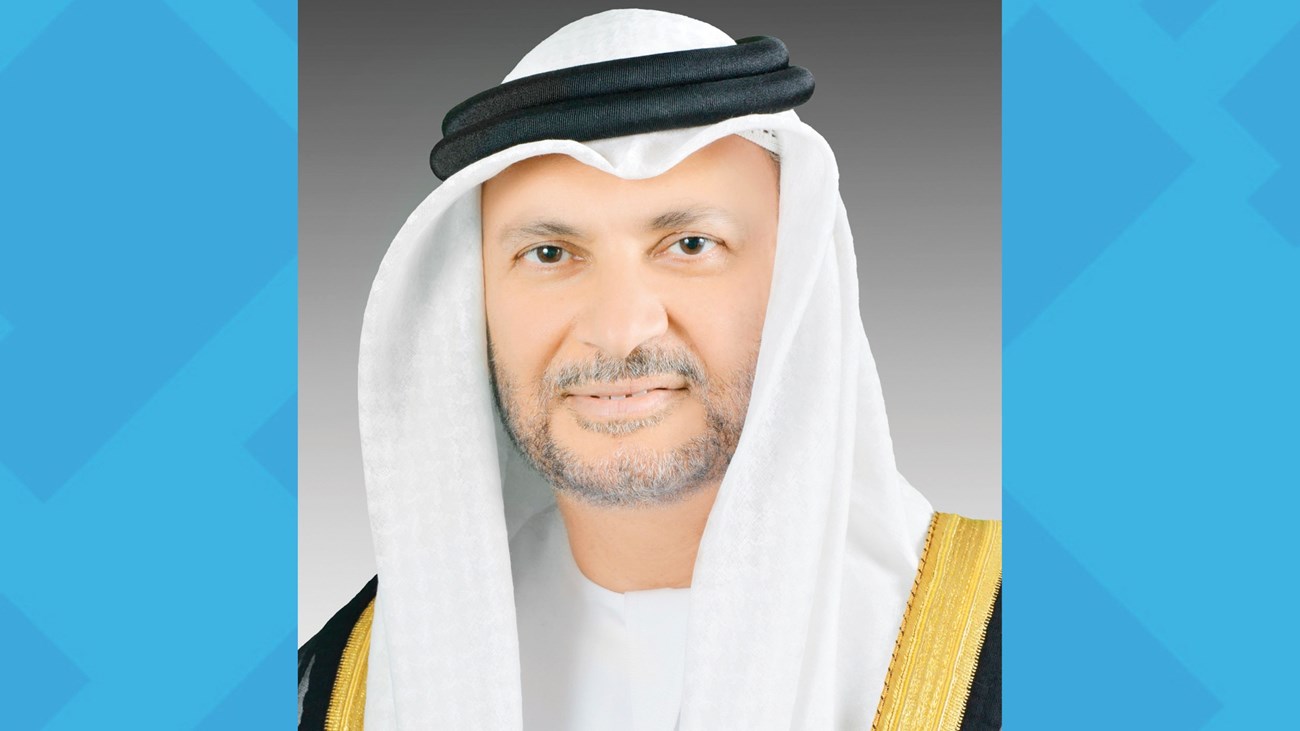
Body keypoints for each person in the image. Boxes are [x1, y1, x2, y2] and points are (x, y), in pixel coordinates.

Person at [299, 9, 1000, 731]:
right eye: (549, 254)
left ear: (794, 280)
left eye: (690, 244)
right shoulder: (337, 686)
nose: (618, 329)